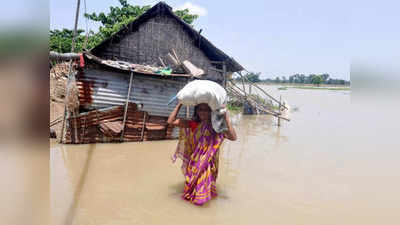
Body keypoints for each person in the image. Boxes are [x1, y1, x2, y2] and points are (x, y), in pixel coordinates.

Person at [167, 102, 237, 205]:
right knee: (191, 191)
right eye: (200, 109)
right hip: (194, 163)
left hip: (208, 164)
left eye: (206, 110)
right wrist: (180, 104)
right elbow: (171, 121)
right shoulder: (193, 124)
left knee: (200, 196)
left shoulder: (217, 128)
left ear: (211, 112)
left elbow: (233, 137)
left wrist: (225, 116)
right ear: (196, 111)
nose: (202, 112)